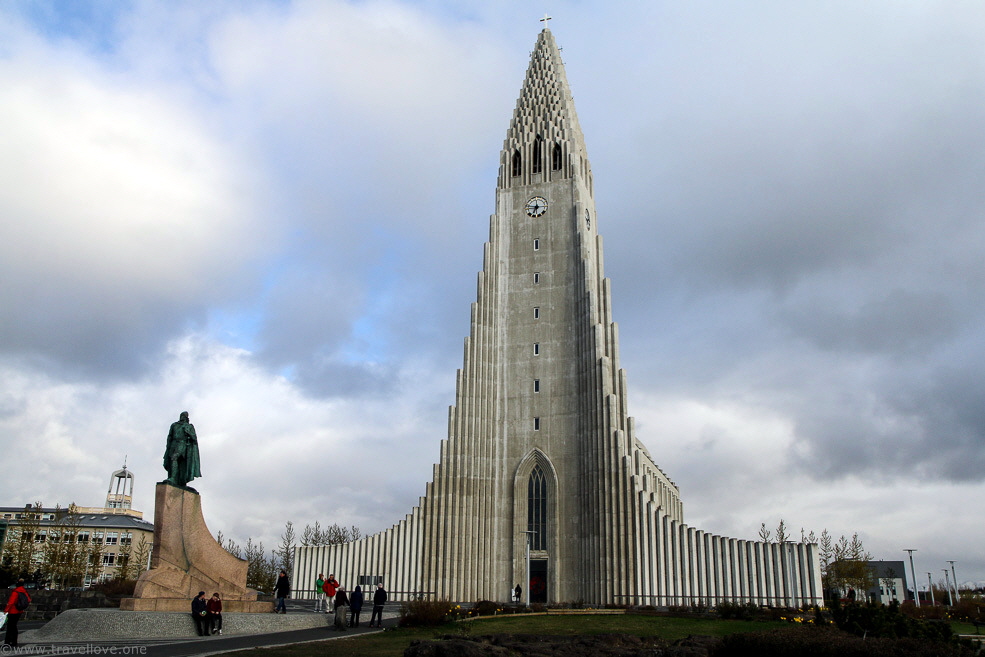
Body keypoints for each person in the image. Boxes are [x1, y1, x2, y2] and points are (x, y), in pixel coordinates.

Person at [164, 411, 202, 487]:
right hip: (173, 444)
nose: (183, 417)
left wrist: (189, 433)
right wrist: (168, 447)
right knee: (173, 460)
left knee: (175, 458)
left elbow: (194, 438)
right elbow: (170, 436)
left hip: (183, 444)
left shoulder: (189, 426)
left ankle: (174, 478)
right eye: (182, 415)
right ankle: (178, 479)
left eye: (185, 416)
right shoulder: (174, 425)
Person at [4, 579, 31, 647]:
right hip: (19, 611)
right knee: (14, 626)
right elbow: (29, 600)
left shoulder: (16, 592)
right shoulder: (24, 591)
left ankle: (8, 641)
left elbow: (11, 602)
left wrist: (6, 610)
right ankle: (14, 641)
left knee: (10, 627)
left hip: (13, 611)